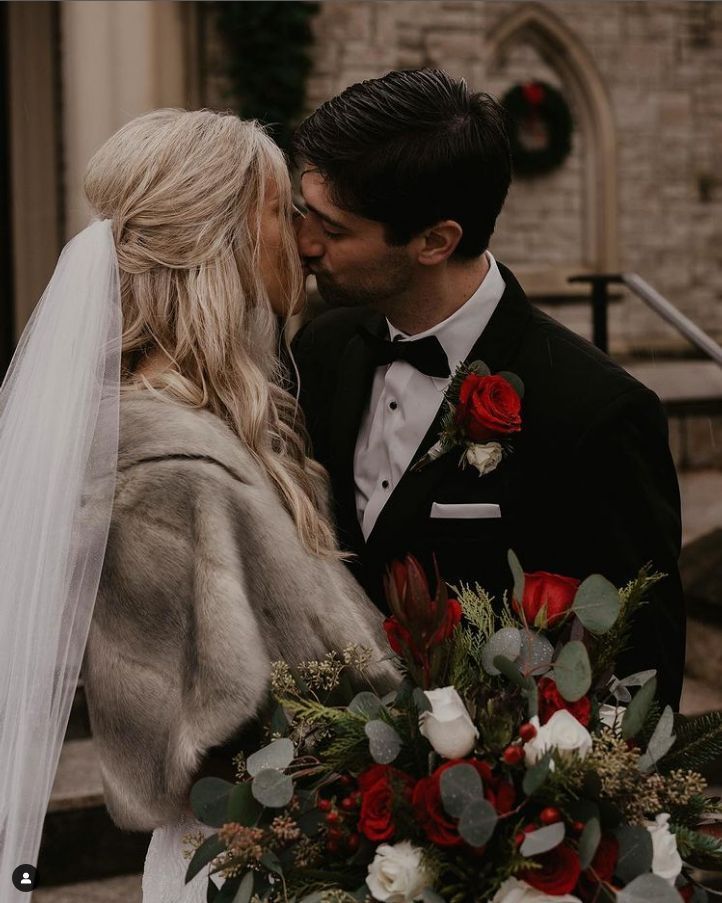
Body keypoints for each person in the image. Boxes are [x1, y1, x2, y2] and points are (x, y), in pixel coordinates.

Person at [0, 110, 394, 903]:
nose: (304, 239)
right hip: (251, 867)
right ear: (228, 238)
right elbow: (230, 730)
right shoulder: (172, 464)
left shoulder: (179, 424)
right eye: (283, 213)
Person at [291, 68, 685, 711]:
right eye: (307, 212)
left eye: (334, 230)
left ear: (435, 241)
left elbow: (639, 675)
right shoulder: (322, 349)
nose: (305, 244)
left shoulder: (597, 412)